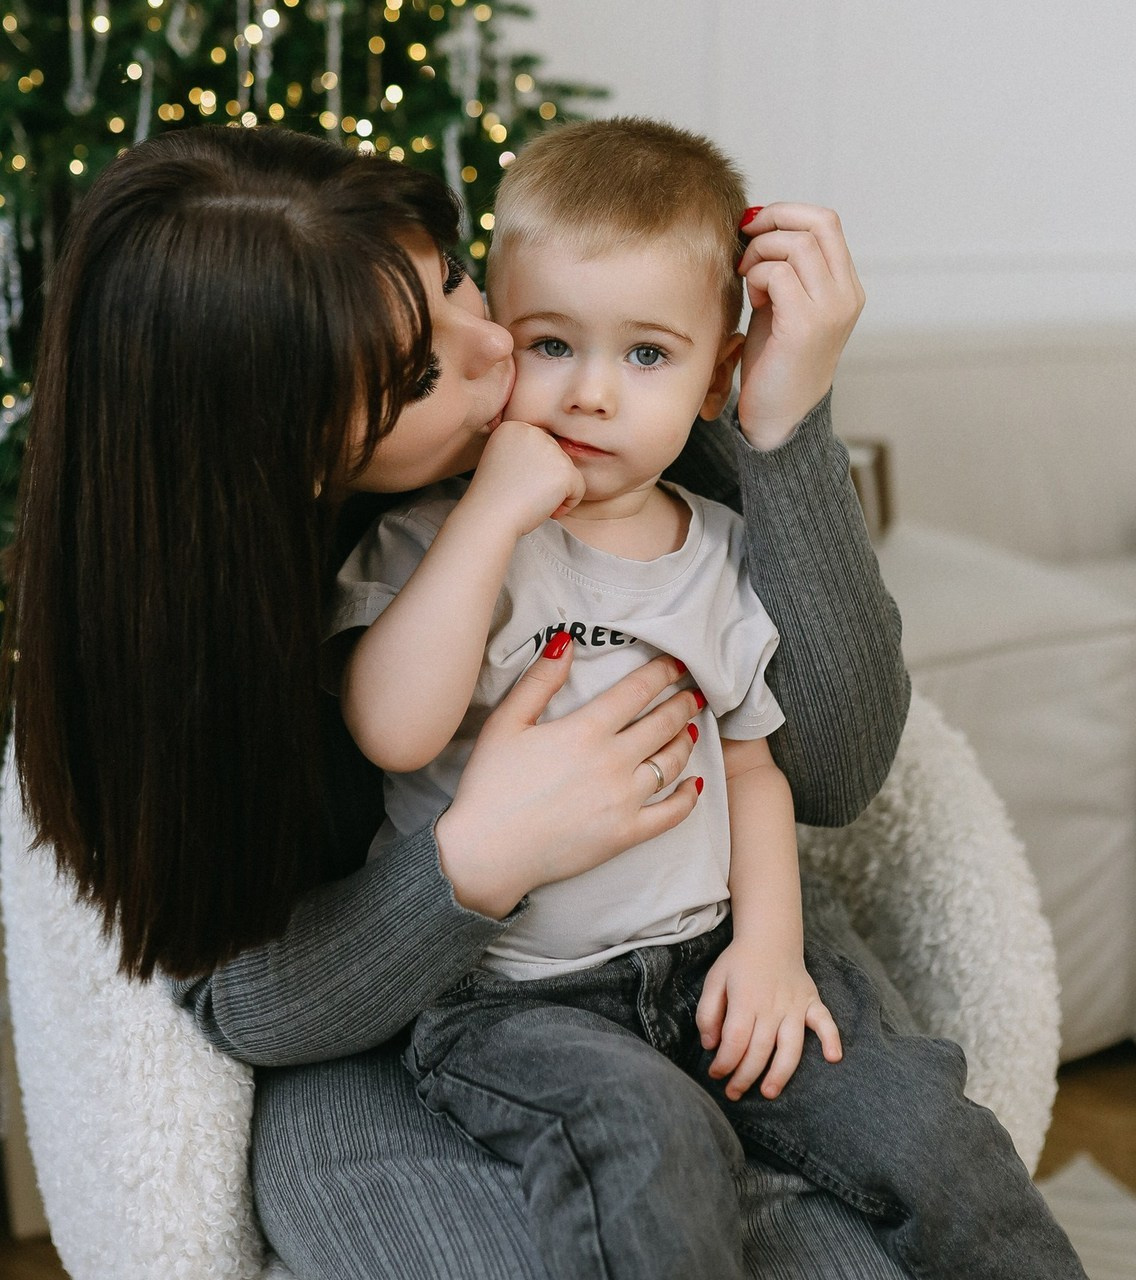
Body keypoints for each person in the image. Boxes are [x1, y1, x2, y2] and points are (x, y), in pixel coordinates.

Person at [0, 122, 937, 1279]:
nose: (498, 345)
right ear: (288, 452)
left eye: (448, 276)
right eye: (415, 375)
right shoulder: (178, 641)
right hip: (409, 1046)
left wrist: (781, 427)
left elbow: (835, 772)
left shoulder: (594, 413)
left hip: (698, 966)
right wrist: (470, 860)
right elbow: (242, 1002)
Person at [327, 118, 1084, 1280]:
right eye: (548, 343)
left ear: (718, 376)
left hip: (708, 955)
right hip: (515, 1002)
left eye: (644, 356)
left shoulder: (718, 550)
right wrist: (489, 515)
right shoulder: (430, 539)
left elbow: (752, 769)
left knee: (924, 1130)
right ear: (499, 339)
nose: (588, 394)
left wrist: (771, 953)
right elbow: (393, 724)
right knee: (650, 1134)